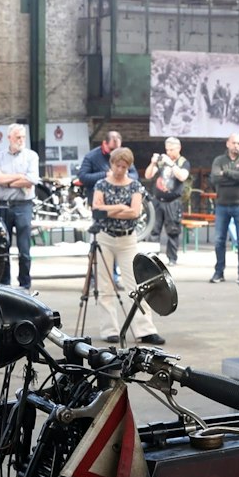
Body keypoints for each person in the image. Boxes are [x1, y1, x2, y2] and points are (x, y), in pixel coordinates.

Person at [89, 148, 164, 345]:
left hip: (127, 239)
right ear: (111, 163)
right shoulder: (101, 184)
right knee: (105, 285)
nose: (120, 169)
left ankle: (145, 329)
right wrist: (121, 207)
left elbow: (135, 213)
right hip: (105, 237)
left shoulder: (134, 186)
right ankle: (109, 330)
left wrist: (110, 210)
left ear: (128, 166)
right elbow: (97, 211)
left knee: (136, 284)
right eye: (117, 165)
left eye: (124, 166)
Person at [0, 123, 39, 291]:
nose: (21, 140)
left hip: (24, 206)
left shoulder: (31, 156)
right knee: (3, 246)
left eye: (23, 137)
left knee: (24, 248)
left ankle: (25, 283)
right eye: (18, 137)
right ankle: (4, 284)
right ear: (9, 138)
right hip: (4, 207)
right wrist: (19, 177)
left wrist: (7, 181)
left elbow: (31, 180)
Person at [210, 132, 239, 284]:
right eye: (233, 143)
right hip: (222, 204)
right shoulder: (219, 160)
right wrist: (235, 177)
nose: (236, 146)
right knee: (219, 240)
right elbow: (215, 178)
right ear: (227, 144)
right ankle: (218, 272)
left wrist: (226, 173)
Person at [144, 137, 189, 265]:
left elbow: (182, 176)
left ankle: (172, 258)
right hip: (158, 200)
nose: (169, 152)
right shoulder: (162, 162)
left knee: (173, 230)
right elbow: (148, 175)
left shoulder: (183, 162)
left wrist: (170, 163)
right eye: (167, 150)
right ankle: (152, 259)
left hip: (173, 201)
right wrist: (153, 163)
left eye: (171, 149)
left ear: (178, 148)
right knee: (154, 230)